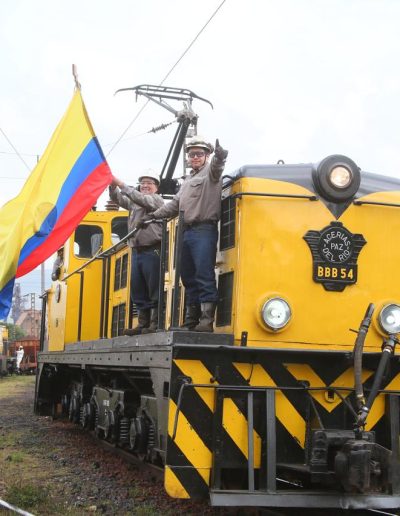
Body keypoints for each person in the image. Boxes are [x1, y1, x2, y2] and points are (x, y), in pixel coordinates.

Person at [149, 136, 228, 332]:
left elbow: (217, 166)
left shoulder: (211, 173)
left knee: (203, 274)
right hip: (186, 233)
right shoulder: (187, 181)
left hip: (204, 230)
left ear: (207, 155)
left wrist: (220, 156)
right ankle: (191, 321)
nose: (195, 157)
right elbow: (174, 205)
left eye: (199, 154)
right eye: (192, 154)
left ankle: (206, 321)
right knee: (188, 276)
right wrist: (153, 216)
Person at [109, 171, 164, 335]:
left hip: (152, 249)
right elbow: (118, 199)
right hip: (136, 251)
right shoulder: (135, 203)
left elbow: (141, 199)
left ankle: (154, 323)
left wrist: (121, 184)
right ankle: (142, 323)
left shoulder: (156, 200)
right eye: (143, 183)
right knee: (138, 288)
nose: (145, 185)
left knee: (154, 287)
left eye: (149, 183)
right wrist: (112, 186)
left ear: (156, 187)